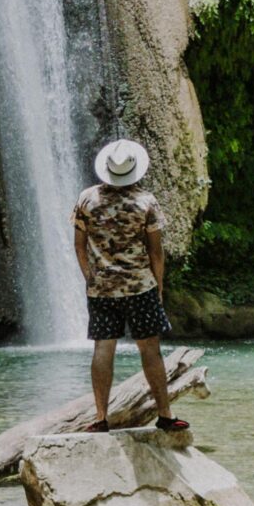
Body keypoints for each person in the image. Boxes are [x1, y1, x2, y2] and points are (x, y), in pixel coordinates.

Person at [73, 138, 191, 434]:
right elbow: (156, 252)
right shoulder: (146, 202)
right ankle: (165, 415)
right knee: (150, 349)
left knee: (103, 349)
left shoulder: (87, 199)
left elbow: (79, 245)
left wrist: (90, 276)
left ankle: (100, 419)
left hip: (101, 289)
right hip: (140, 287)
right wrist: (158, 286)